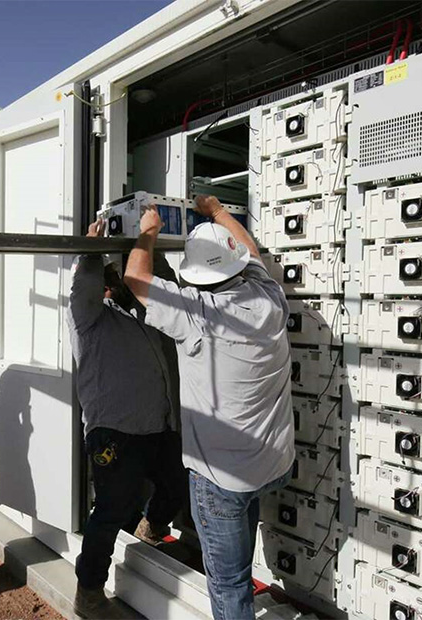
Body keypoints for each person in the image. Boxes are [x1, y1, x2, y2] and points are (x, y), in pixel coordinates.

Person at [123, 196, 295, 620]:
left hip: (220, 479)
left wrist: (147, 229)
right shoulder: (269, 297)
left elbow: (134, 276)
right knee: (238, 552)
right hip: (269, 466)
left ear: (195, 277)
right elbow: (250, 254)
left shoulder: (195, 314)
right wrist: (218, 212)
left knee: (229, 582)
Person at [68, 218, 188, 618]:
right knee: (111, 510)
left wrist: (148, 245)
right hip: (114, 433)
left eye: (119, 277)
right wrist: (91, 252)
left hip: (159, 425)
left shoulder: (143, 316)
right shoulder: (89, 318)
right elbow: (84, 285)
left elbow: (167, 287)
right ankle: (88, 591)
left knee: (177, 486)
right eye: (110, 278)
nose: (116, 283)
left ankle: (151, 529)